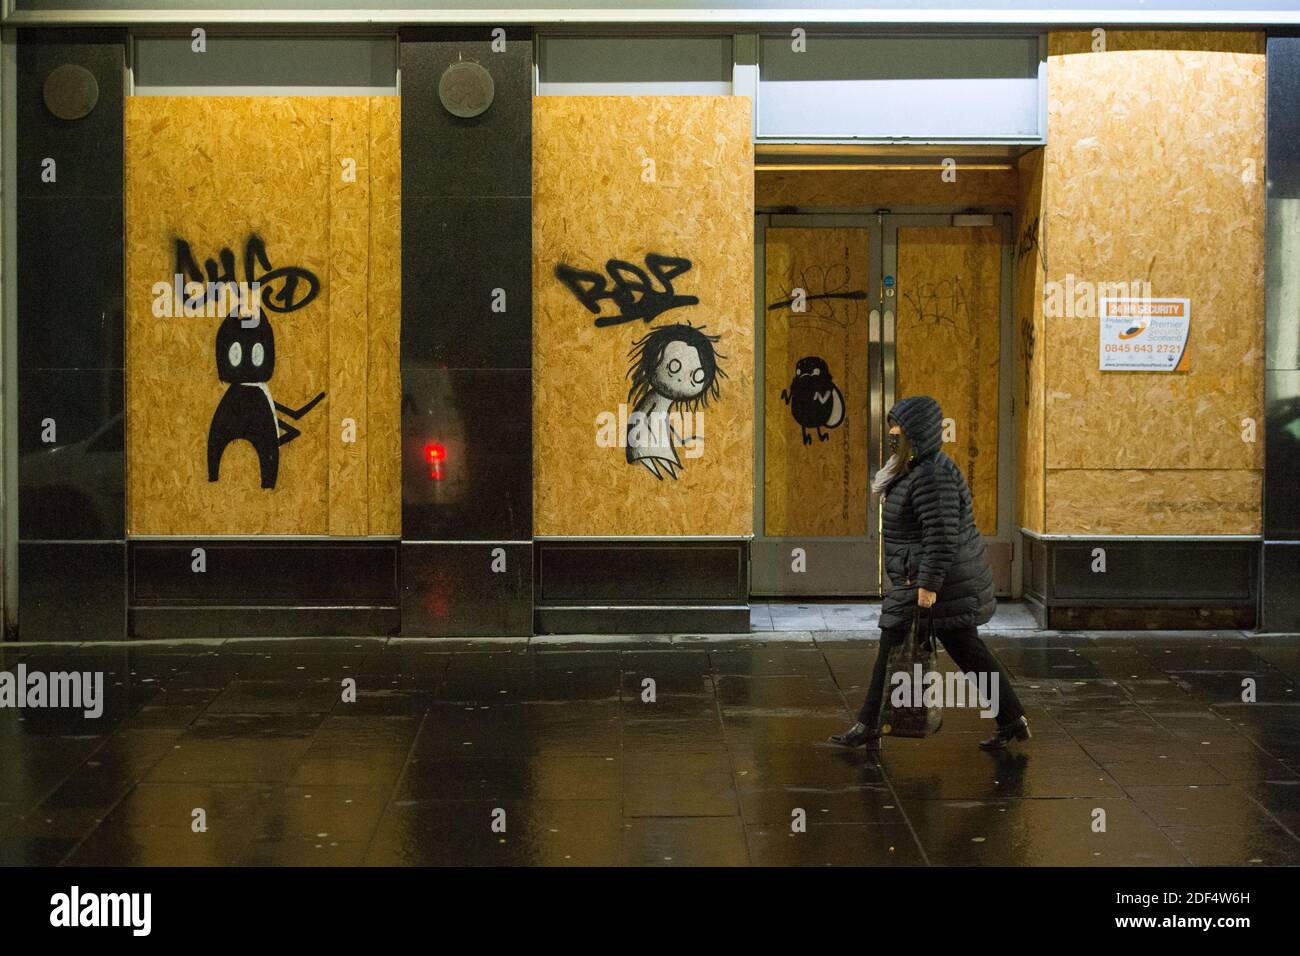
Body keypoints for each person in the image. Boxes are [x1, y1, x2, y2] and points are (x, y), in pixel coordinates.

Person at [829, 394, 1031, 752]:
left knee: (892, 642)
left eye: (898, 428)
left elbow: (941, 534)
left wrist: (927, 586)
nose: (892, 432)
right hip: (933, 579)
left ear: (915, 435)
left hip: (932, 582)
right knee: (969, 651)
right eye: (892, 425)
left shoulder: (932, 473)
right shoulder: (914, 469)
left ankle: (868, 725)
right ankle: (1012, 719)